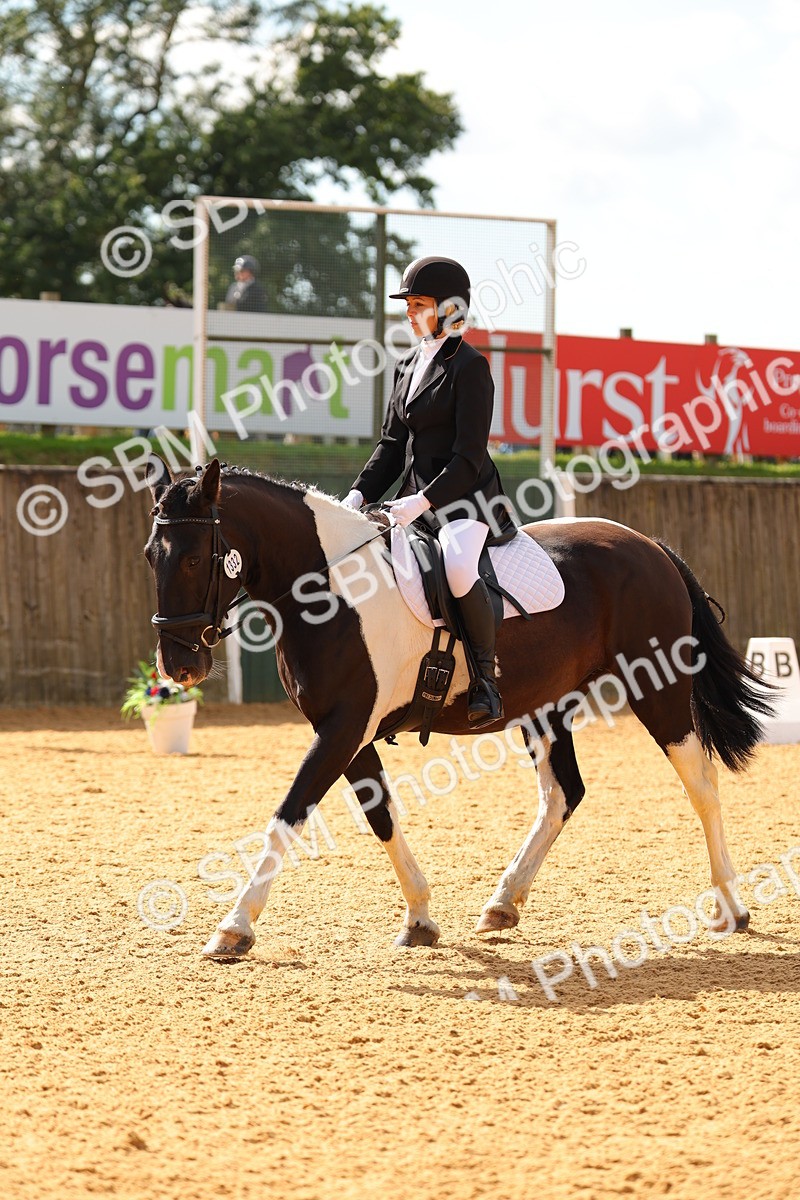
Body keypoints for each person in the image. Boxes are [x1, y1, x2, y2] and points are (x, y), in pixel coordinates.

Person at [342, 255, 515, 728]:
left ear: (449, 308)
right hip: (413, 499)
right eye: (409, 304)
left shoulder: (471, 367)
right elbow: (391, 445)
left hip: (468, 500)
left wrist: (423, 501)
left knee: (457, 568)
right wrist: (357, 496)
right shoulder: (406, 365)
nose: (409, 312)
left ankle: (486, 681)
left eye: (418, 304)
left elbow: (469, 456)